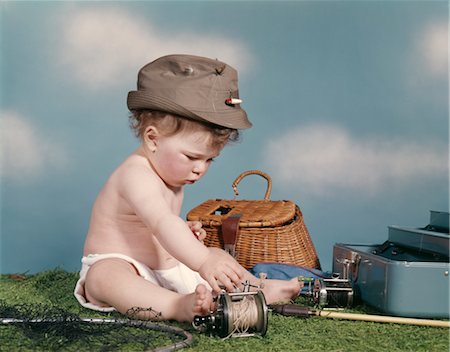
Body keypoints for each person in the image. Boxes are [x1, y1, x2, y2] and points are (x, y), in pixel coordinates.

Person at [74, 54, 301, 322]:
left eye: (209, 160)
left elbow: (163, 226)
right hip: (127, 266)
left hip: (166, 269)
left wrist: (187, 234)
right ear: (152, 139)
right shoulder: (135, 175)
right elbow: (160, 222)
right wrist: (201, 260)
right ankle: (177, 306)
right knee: (106, 277)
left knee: (216, 254)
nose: (200, 169)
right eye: (192, 157)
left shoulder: (170, 176)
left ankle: (255, 288)